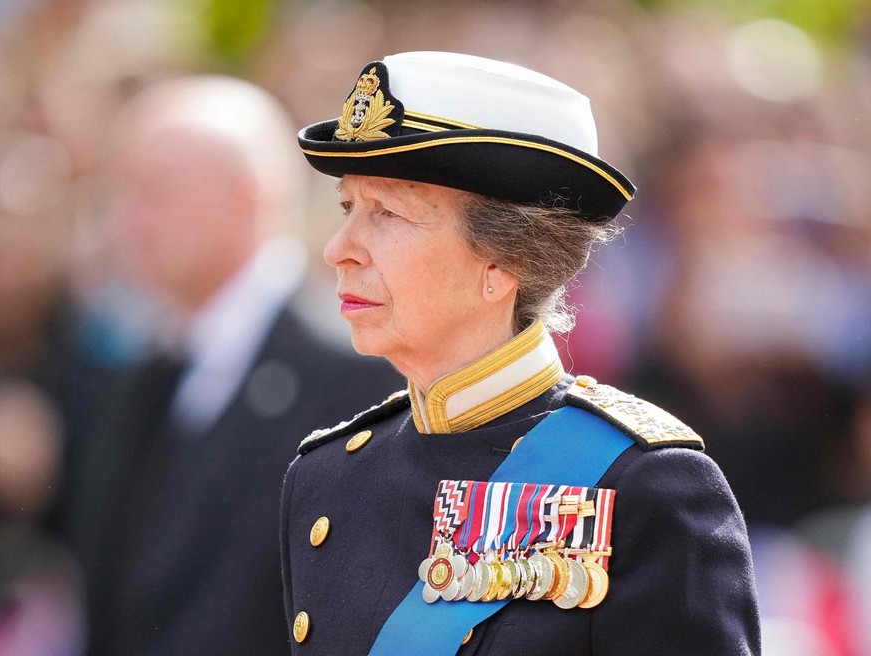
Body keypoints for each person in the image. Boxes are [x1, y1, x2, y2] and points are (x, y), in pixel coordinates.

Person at [280, 51, 761, 655]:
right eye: (349, 206)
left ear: (506, 259)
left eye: (388, 213)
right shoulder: (327, 474)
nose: (339, 249)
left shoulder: (643, 486)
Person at [63, 76, 402, 656]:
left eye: (157, 191)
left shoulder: (354, 372)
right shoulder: (142, 379)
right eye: (122, 194)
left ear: (249, 196)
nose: (131, 220)